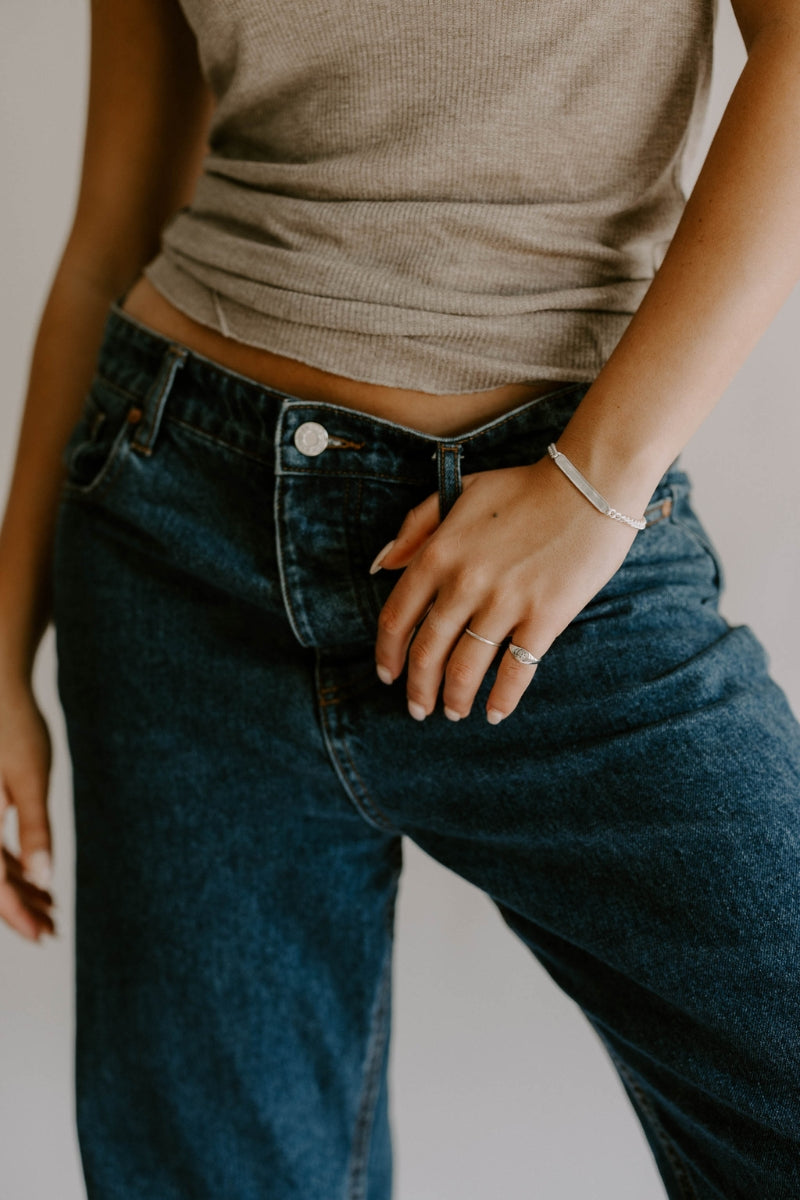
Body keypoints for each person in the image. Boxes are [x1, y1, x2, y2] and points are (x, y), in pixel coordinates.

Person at [2, 0, 800, 1195]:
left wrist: (590, 490)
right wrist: (3, 646)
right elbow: (111, 229)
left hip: (549, 556)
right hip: (174, 536)